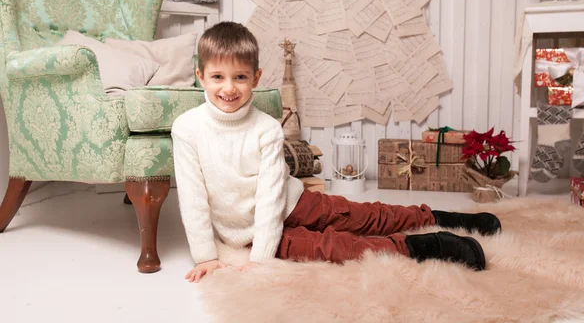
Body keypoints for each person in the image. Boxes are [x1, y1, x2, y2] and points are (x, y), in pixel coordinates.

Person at [171, 22, 502, 283]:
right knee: (334, 247)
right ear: (201, 76)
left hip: (291, 202)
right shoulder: (187, 129)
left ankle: (436, 217)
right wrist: (207, 256)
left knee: (362, 217)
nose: (229, 88)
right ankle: (426, 245)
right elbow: (193, 197)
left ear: (256, 78)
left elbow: (271, 198)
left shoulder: (267, 129)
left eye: (240, 77)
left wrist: (259, 262)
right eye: (218, 77)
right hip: (244, 230)